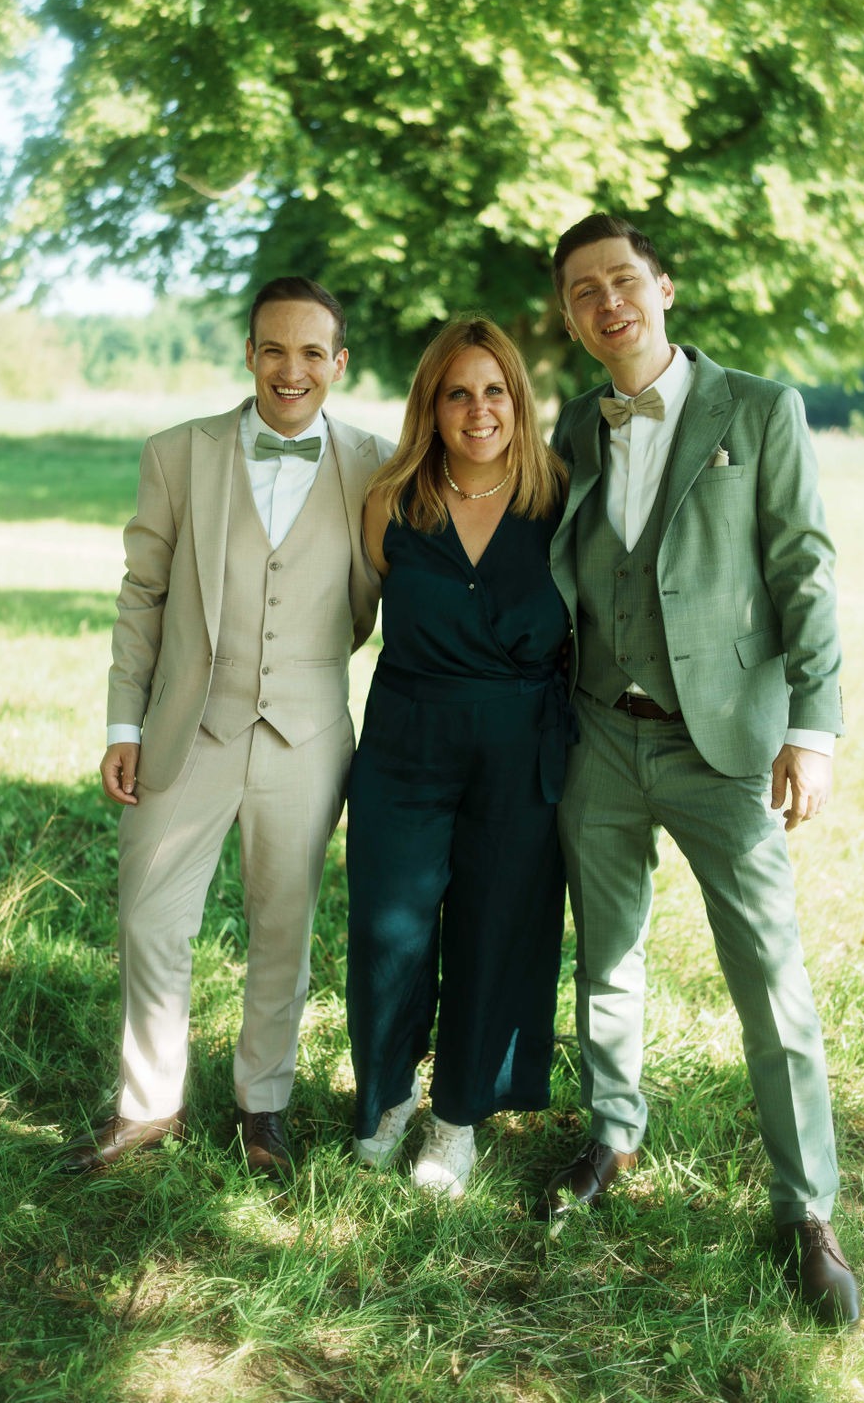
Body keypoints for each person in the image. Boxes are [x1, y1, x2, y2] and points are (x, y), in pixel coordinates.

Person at [538, 213, 861, 1326]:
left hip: (722, 744)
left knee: (768, 974)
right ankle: (611, 1133)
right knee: (606, 955)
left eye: (622, 280)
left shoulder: (759, 410)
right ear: (568, 315)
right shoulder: (572, 426)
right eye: (583, 290)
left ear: (662, 287)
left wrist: (811, 729)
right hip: (598, 732)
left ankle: (806, 1207)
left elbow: (804, 570)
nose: (606, 302)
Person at [59, 276, 393, 1179]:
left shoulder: (379, 463)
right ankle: (147, 1105)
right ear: (249, 354)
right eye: (273, 349)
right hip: (188, 728)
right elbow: (143, 594)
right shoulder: (179, 453)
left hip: (307, 734)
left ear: (338, 363)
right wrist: (124, 721)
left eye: (312, 352)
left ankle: (263, 1107)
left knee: (283, 927)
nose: (292, 369)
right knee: (149, 918)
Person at [345, 316, 571, 1197]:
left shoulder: (559, 497)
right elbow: (354, 612)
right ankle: (389, 1094)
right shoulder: (391, 502)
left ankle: (456, 1118)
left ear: (517, 399)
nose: (479, 411)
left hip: (520, 747)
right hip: (407, 741)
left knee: (495, 931)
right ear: (429, 407)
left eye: (494, 391)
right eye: (457, 394)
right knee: (387, 929)